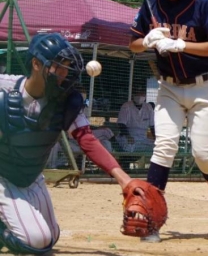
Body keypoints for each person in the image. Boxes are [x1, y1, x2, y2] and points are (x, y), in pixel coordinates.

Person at [129, 0, 208, 242]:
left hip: (204, 87)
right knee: (164, 146)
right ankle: (151, 219)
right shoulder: (151, 5)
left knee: (203, 153)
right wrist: (148, 40)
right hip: (169, 88)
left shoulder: (203, 2)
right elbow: (133, 44)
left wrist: (179, 44)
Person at [0, 33, 132, 253]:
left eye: (67, 67)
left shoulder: (65, 101)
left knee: (50, 238)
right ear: (36, 64)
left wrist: (124, 179)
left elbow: (86, 139)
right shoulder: (5, 90)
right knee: (36, 240)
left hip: (32, 178)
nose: (64, 74)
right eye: (58, 67)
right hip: (4, 177)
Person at [117, 88, 155, 153]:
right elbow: (121, 124)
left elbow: (152, 126)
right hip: (128, 137)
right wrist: (128, 137)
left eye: (142, 93)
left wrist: (156, 138)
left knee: (157, 147)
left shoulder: (148, 107)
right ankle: (125, 159)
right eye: (137, 93)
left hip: (143, 138)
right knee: (129, 147)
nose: (140, 95)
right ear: (133, 95)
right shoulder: (126, 106)